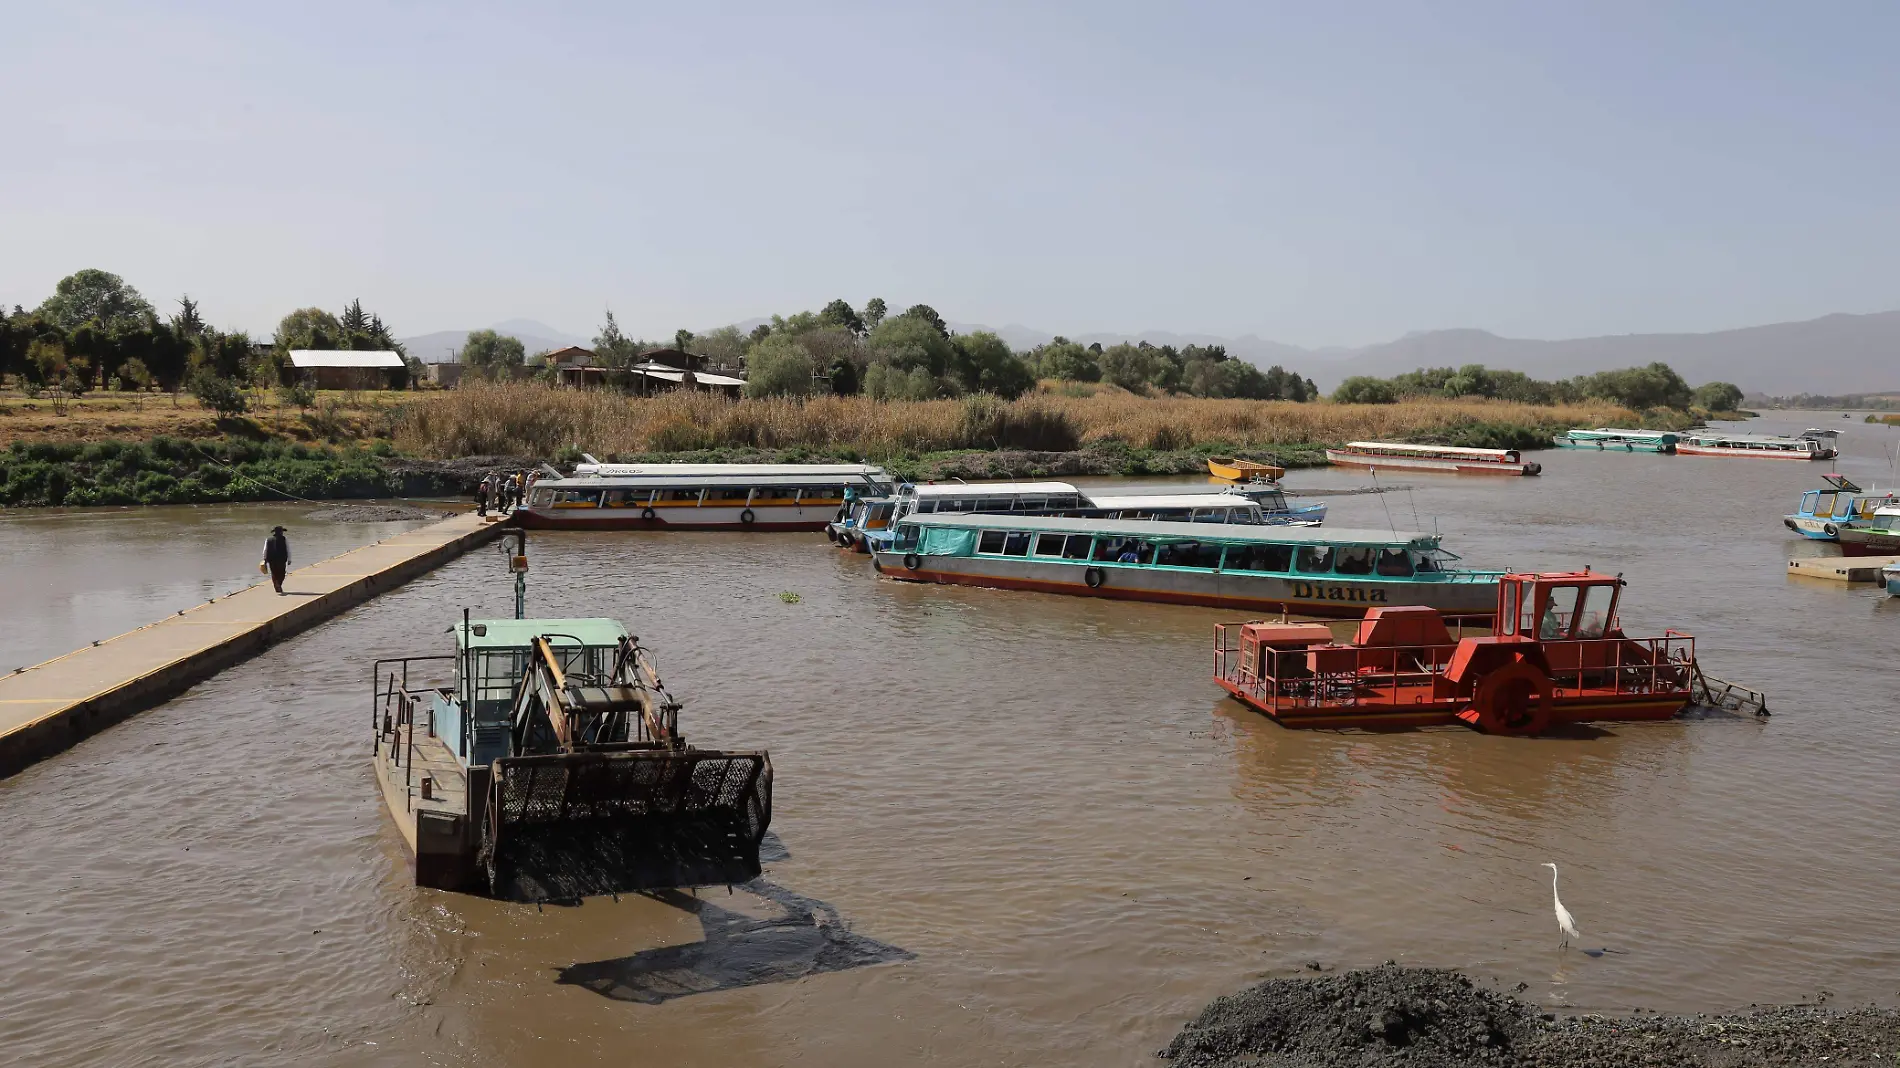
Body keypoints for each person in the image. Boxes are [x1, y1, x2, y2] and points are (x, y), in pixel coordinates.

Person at [263, 525, 291, 594]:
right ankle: (278, 584)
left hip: (271, 560)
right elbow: (288, 549)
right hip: (282, 559)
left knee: (274, 573)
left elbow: (265, 550)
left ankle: (276, 585)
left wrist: (265, 559)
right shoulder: (284, 539)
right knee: (282, 573)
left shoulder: (268, 539)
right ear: (281, 532)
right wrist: (289, 559)